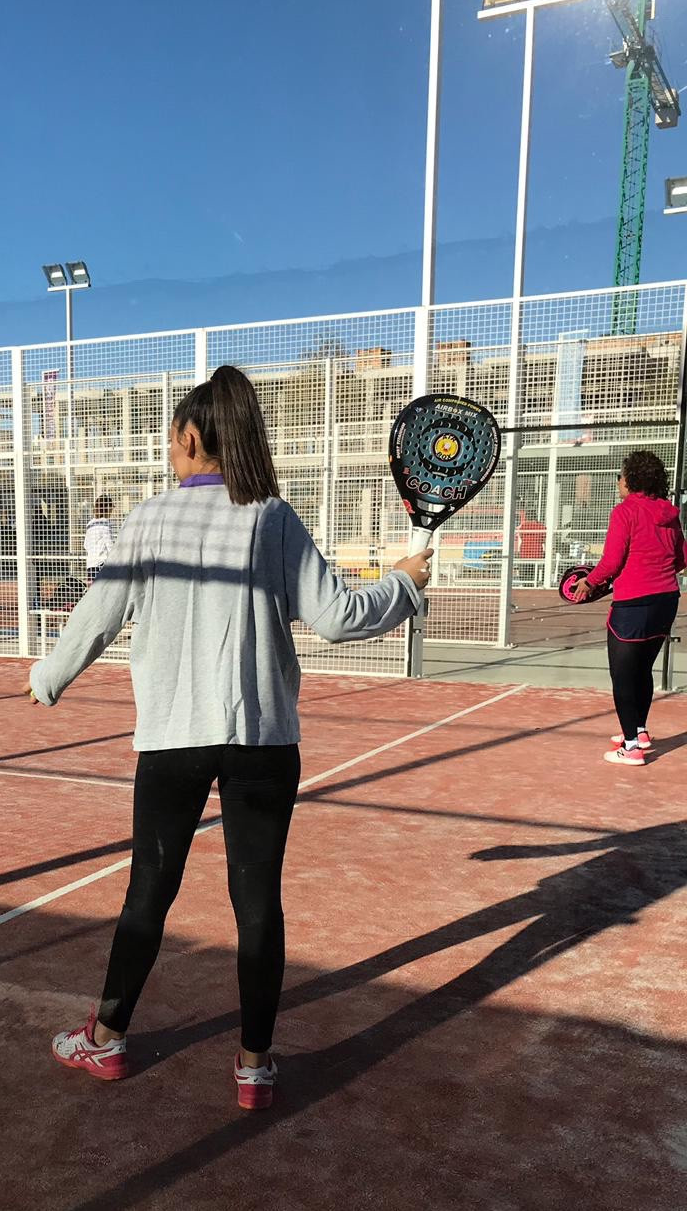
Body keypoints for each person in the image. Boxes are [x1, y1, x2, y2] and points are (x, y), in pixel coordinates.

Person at [26, 365, 432, 1109]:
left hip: (174, 738)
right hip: (263, 740)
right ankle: (254, 1066)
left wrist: (49, 675)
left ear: (191, 438)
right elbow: (339, 617)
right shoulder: (273, 517)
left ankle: (107, 1040)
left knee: (148, 892)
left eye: (170, 441)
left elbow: (99, 614)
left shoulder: (151, 519)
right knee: (258, 903)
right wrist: (404, 583)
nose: (168, 453)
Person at [570, 449, 685, 766]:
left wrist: (589, 582)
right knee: (642, 670)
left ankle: (631, 748)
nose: (618, 481)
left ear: (631, 479)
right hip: (666, 601)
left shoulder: (625, 511)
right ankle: (639, 731)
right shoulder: (670, 513)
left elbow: (611, 561)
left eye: (620, 476)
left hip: (633, 605)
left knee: (622, 676)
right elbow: (681, 559)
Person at [84, 494, 116, 583]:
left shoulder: (90, 524)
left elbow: (86, 545)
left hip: (90, 564)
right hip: (102, 564)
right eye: (111, 508)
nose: (111, 511)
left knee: (93, 590)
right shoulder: (105, 523)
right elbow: (110, 546)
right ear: (107, 508)